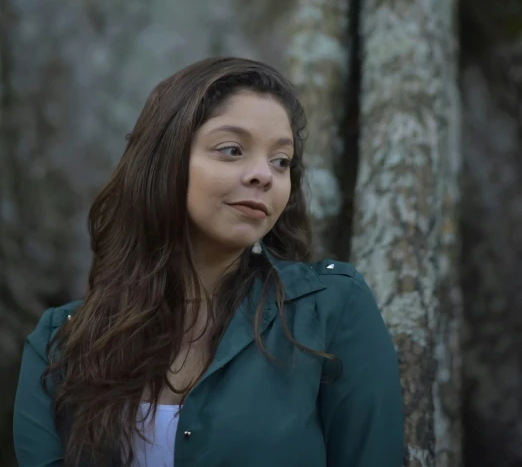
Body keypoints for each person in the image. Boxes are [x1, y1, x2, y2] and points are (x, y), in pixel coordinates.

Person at [13, 56, 404, 467]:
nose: (263, 175)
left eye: (281, 160)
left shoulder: (329, 308)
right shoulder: (61, 344)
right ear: (165, 160)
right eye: (232, 150)